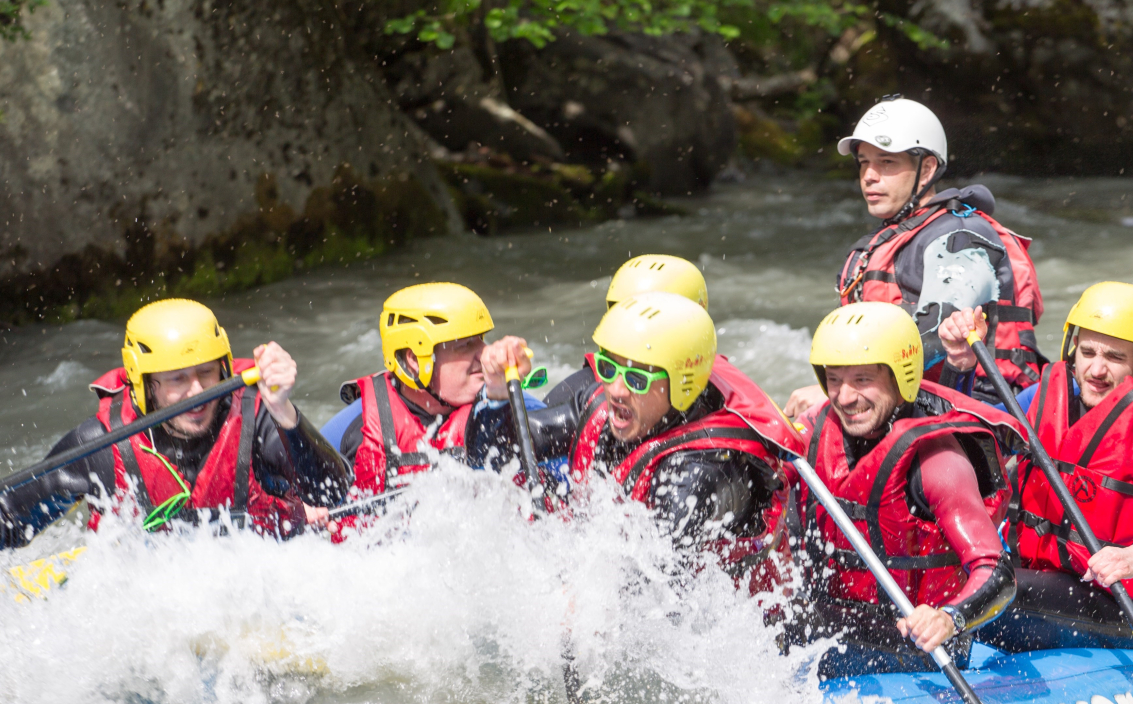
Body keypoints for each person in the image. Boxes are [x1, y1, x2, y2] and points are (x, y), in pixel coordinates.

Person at [0, 298, 349, 550]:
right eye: (177, 380)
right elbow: (11, 521)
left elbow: (337, 493)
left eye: (207, 374)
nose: (197, 392)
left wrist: (285, 412)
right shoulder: (102, 445)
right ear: (145, 387)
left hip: (258, 584)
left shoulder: (256, 413)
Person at [943, 282, 1133, 652]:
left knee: (999, 586)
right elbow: (961, 444)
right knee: (947, 572)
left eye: (1114, 357)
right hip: (1044, 577)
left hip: (1124, 606)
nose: (1096, 368)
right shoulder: (1044, 397)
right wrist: (960, 368)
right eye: (1087, 351)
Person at [472, 292, 802, 593]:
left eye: (636, 378)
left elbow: (654, 601)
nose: (615, 389)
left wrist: (578, 597)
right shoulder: (609, 407)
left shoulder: (701, 474)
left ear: (681, 384)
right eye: (608, 367)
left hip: (738, 634)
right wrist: (497, 393)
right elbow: (487, 457)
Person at [783, 302, 1019, 677]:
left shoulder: (938, 462)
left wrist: (947, 618)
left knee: (788, 629)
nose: (844, 398)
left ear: (901, 377)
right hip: (836, 614)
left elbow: (996, 572)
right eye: (833, 379)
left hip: (922, 644)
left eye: (862, 380)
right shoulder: (813, 430)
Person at [785, 96, 1043, 416]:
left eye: (886, 162)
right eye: (864, 162)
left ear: (927, 170)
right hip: (905, 401)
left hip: (982, 409)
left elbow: (937, 335)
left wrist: (841, 393)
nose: (869, 175)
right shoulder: (895, 238)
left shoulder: (961, 239)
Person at [325, 282, 539, 494]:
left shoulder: (502, 399)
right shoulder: (354, 429)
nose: (485, 354)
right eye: (464, 345)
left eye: (481, 340)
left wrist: (499, 394)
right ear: (415, 360)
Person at [543, 253, 710, 408]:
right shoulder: (579, 389)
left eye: (646, 317)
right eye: (620, 315)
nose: (628, 329)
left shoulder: (712, 384)